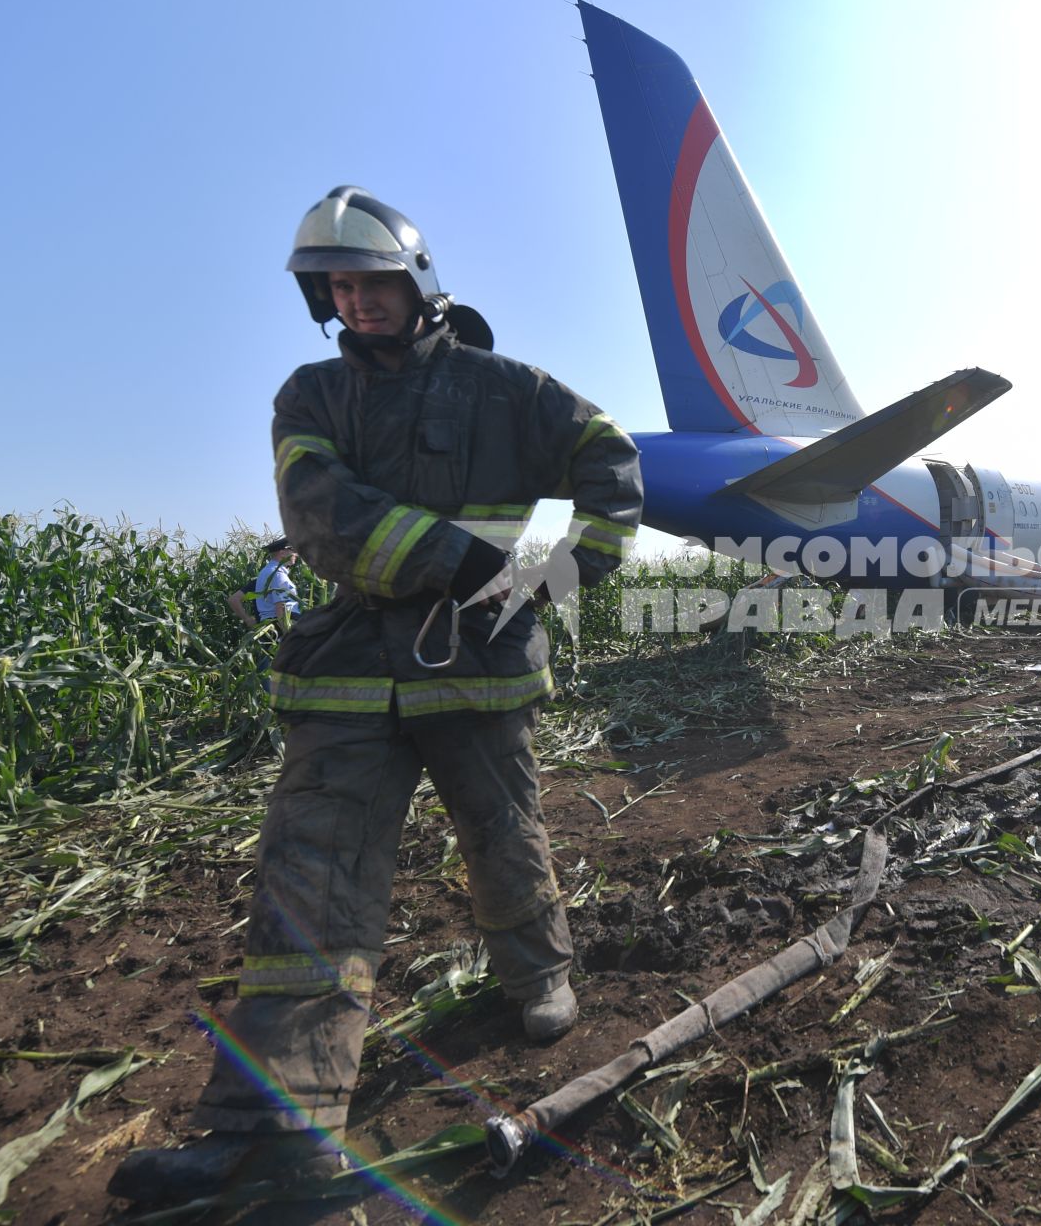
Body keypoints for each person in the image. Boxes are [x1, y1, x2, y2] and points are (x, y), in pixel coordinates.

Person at [112, 187, 643, 1204]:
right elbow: (317, 508)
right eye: (339, 285)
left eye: (373, 280)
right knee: (309, 884)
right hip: (351, 668)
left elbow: (611, 465)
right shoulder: (309, 396)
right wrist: (456, 557)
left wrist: (560, 582)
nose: (357, 300)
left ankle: (538, 976)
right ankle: (272, 1125)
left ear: (419, 280)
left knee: (505, 830)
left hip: (478, 663)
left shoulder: (510, 388)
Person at [252, 537, 302, 626]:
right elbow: (281, 607)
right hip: (281, 624)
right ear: (282, 553)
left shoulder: (267, 571)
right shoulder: (277, 574)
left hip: (272, 623)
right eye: (293, 550)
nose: (296, 554)